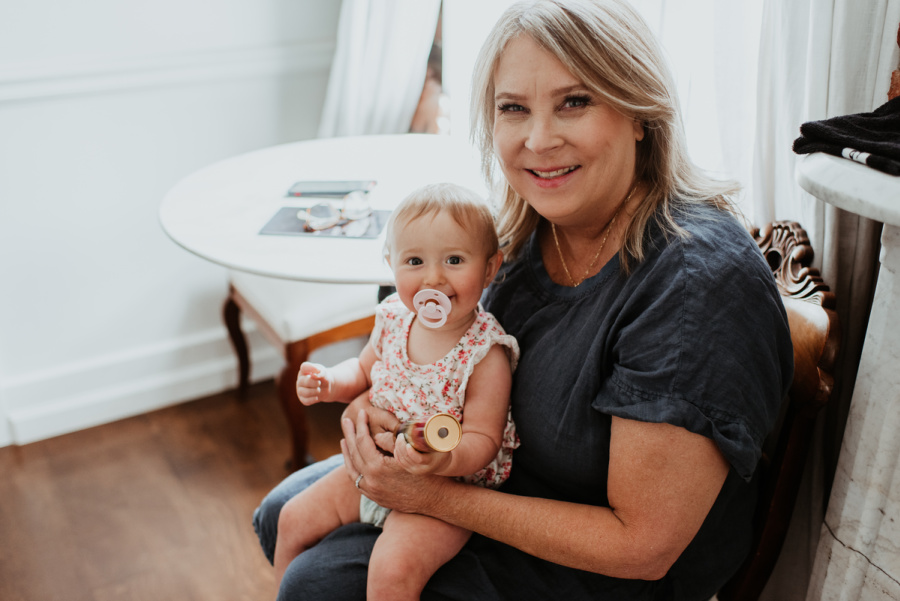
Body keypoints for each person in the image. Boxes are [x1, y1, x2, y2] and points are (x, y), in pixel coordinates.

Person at [253, 1, 794, 599]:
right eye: (513, 108)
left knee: (315, 584)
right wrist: (373, 408)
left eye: (575, 101)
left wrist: (431, 496)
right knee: (283, 511)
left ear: (640, 112)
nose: (538, 139)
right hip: (494, 471)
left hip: (607, 566)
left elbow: (641, 547)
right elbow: (436, 355)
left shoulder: (694, 286)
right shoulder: (525, 231)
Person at [272, 182, 520, 600]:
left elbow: (484, 438)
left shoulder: (485, 352)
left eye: (454, 260)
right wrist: (330, 380)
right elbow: (363, 370)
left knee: (392, 572)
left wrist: (445, 459)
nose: (433, 278)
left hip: (444, 491)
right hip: (376, 466)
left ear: (490, 268)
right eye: (415, 261)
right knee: (291, 519)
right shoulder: (392, 318)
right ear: (392, 264)